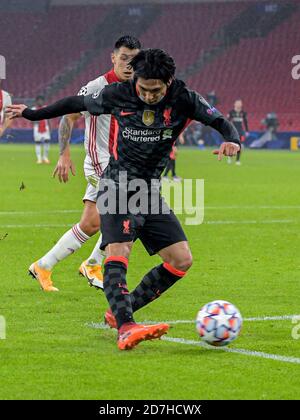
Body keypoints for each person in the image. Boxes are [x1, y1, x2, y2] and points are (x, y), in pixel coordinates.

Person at [7, 48, 240, 350]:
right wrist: (31, 113)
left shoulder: (184, 98)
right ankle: (126, 327)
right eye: (143, 88)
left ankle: (120, 311)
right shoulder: (118, 93)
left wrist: (231, 139)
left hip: (148, 192)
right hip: (116, 185)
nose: (148, 95)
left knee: (181, 260)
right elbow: (75, 103)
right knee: (119, 251)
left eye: (155, 90)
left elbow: (219, 120)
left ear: (169, 82)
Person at [29, 35, 141, 292]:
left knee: (92, 223)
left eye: (134, 60)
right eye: (123, 58)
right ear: (113, 58)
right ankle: (93, 264)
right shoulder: (95, 87)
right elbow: (68, 117)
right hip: (101, 163)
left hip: (120, 164)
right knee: (131, 211)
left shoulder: (137, 88)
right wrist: (64, 154)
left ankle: (43, 265)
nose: (128, 65)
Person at [227, 99, 249, 165]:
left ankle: (237, 160)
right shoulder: (231, 112)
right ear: (235, 104)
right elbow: (227, 121)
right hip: (233, 131)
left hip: (240, 132)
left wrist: (247, 131)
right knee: (232, 145)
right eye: (238, 103)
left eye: (240, 103)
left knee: (240, 146)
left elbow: (245, 122)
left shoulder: (243, 113)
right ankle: (230, 157)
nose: (239, 104)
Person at [32, 95, 51, 164]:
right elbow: (31, 119)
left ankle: (45, 157)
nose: (40, 101)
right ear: (36, 101)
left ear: (43, 101)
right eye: (39, 100)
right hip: (37, 128)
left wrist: (50, 127)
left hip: (46, 128)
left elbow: (49, 118)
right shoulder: (33, 109)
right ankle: (39, 159)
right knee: (38, 143)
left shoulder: (46, 108)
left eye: (41, 100)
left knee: (47, 142)